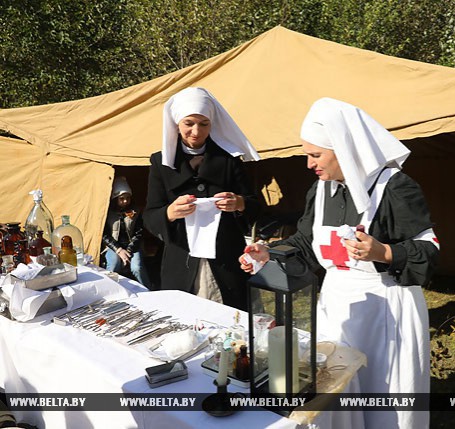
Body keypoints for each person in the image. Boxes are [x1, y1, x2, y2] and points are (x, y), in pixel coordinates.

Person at [241, 97, 439, 429]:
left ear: (345, 149)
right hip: (336, 308)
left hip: (386, 312)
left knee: (384, 396)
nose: (308, 164)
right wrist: (268, 254)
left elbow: (429, 250)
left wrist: (384, 253)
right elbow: (305, 243)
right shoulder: (321, 191)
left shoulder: (395, 188)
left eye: (315, 155)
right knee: (333, 392)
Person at [144, 87, 260, 310]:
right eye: (189, 123)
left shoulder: (229, 159)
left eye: (203, 124)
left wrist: (239, 203)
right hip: (181, 262)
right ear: (177, 123)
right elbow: (150, 215)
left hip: (225, 262)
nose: (196, 132)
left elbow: (256, 206)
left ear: (212, 124)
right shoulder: (161, 163)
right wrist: (169, 213)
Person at [102, 176, 150, 287]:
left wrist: (129, 250)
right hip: (113, 246)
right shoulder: (107, 213)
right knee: (113, 267)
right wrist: (119, 250)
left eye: (128, 198)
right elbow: (105, 235)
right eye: (122, 198)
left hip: (132, 246)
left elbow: (139, 231)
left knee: (137, 267)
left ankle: (148, 289)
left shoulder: (136, 211)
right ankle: (110, 289)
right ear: (115, 198)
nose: (125, 201)